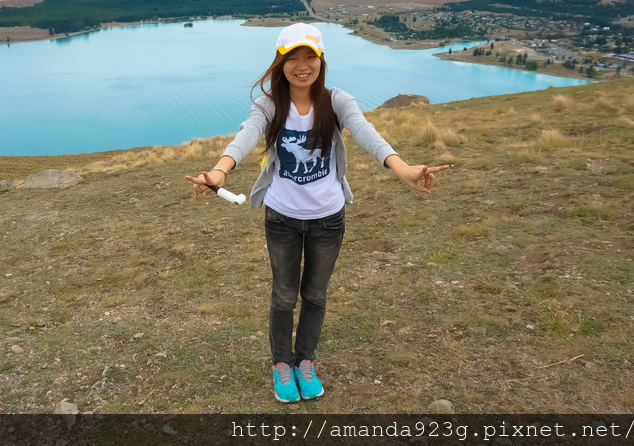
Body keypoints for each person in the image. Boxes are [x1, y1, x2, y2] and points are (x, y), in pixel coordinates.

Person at [185, 22, 448, 404]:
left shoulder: (337, 101)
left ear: (321, 60)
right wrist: (219, 171)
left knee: (316, 295)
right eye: (293, 57)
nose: (302, 65)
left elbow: (364, 131)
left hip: (329, 219)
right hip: (281, 220)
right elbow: (245, 136)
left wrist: (401, 167)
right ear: (281, 62)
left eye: (311, 56)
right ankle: (281, 364)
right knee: (283, 296)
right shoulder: (270, 105)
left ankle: (304, 360)